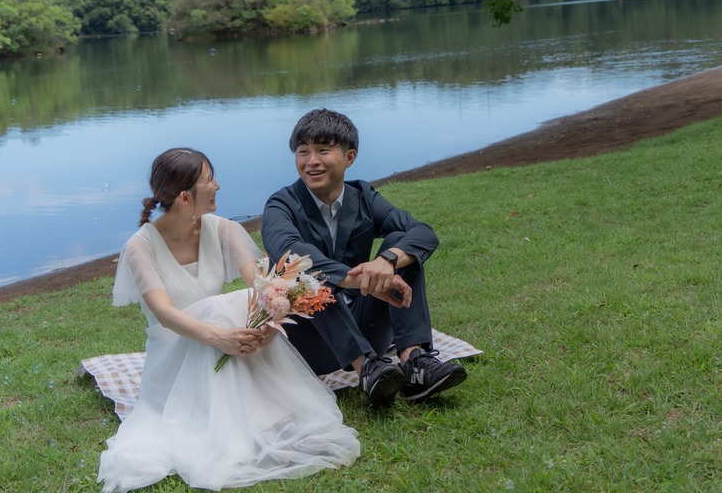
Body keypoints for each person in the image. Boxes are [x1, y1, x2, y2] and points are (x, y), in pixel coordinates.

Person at [97, 147, 360, 493]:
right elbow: (165, 314)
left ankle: (259, 415)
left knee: (240, 300)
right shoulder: (140, 246)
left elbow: (262, 287)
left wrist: (267, 326)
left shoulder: (223, 229)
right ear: (185, 197)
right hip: (176, 355)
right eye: (209, 180)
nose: (218, 186)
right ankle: (235, 431)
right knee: (220, 307)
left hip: (231, 343)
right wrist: (217, 337)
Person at [261, 109, 467, 407]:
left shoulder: (362, 196)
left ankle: (415, 363)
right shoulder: (281, 205)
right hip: (313, 340)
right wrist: (357, 279)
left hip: (366, 328)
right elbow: (288, 251)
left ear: (350, 157)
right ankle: (367, 369)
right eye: (303, 152)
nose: (311, 161)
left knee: (399, 245)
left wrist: (386, 262)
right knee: (301, 275)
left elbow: (422, 232)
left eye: (323, 150)